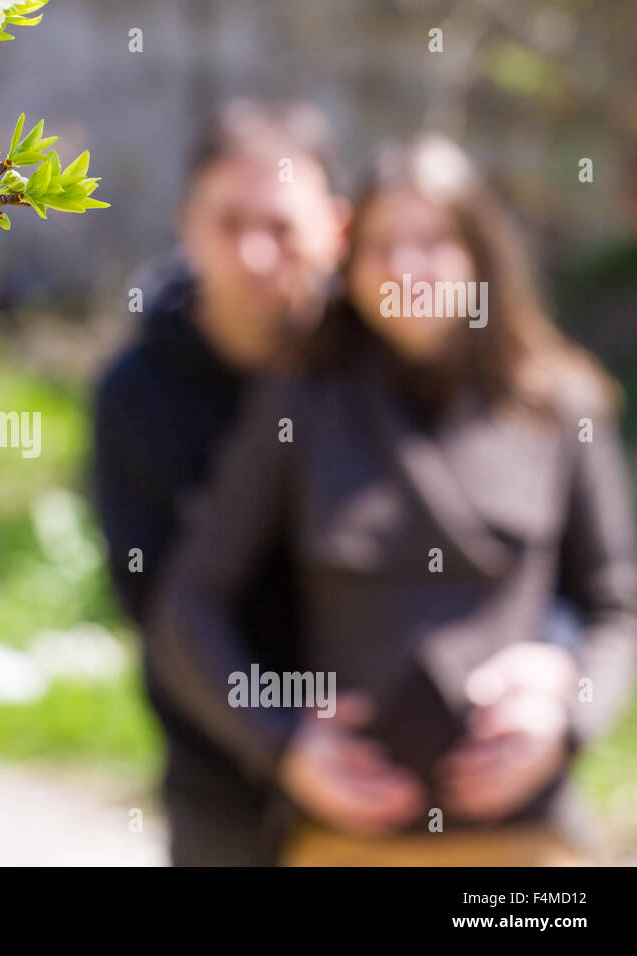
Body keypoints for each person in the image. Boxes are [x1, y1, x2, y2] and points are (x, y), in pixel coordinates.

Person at [145, 134, 637, 864]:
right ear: (350, 266)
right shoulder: (302, 405)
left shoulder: (560, 405)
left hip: (524, 842)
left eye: (433, 242)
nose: (407, 268)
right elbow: (189, 605)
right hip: (348, 840)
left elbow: (618, 601)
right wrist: (282, 743)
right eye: (381, 246)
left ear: (480, 256)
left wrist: (564, 717)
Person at [92, 100, 349, 865]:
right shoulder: (138, 393)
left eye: (282, 227)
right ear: (186, 225)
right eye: (230, 224)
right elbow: (154, 601)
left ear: (335, 227)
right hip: (218, 776)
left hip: (383, 770)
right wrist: (281, 736)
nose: (257, 254)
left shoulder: (372, 371)